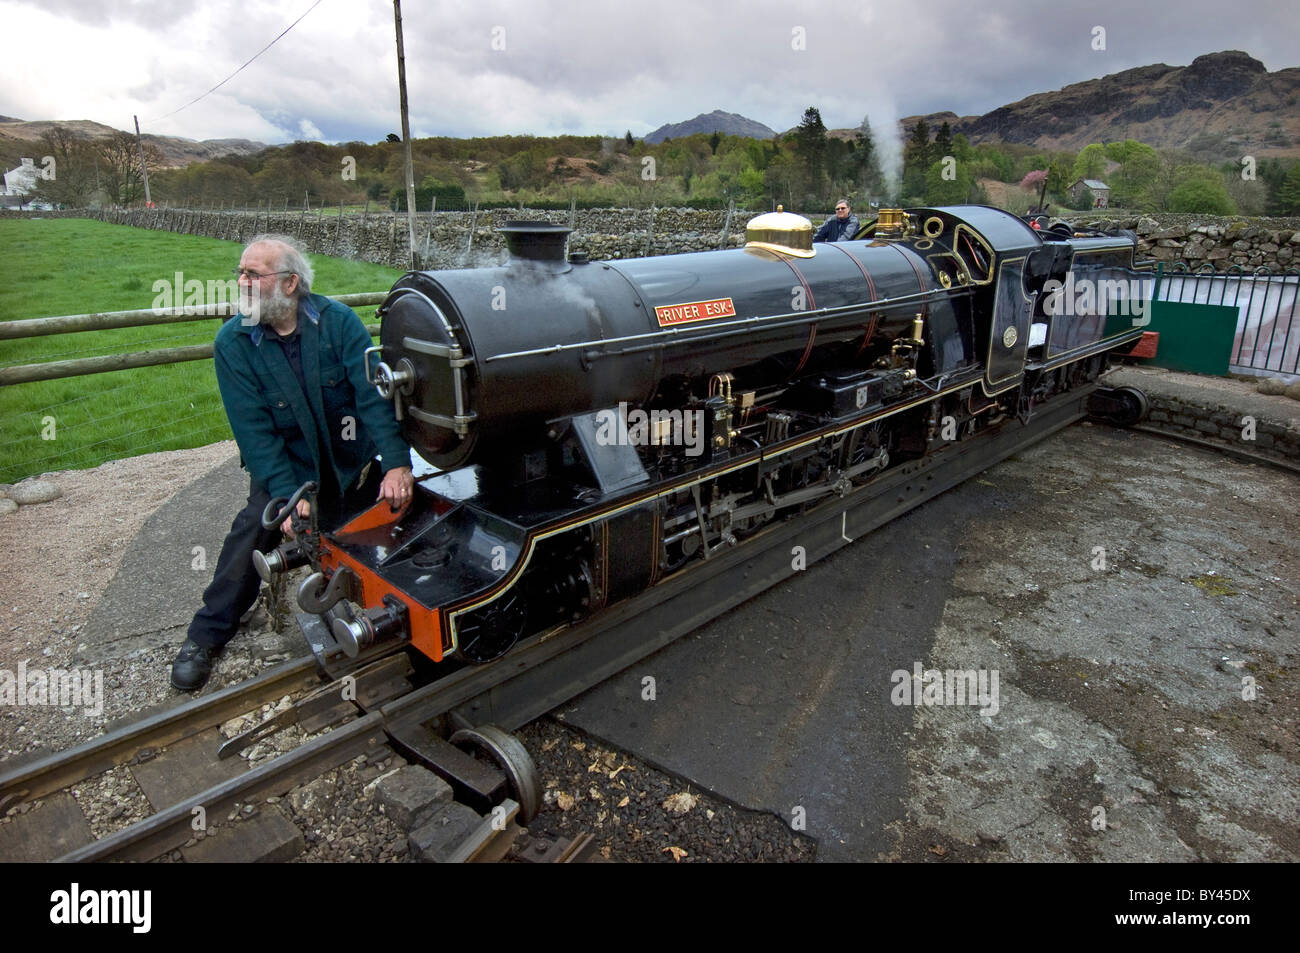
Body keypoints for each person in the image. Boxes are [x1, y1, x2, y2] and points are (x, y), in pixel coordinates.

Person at [171, 235, 413, 691]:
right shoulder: (233, 343)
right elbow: (255, 434)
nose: (241, 282)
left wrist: (398, 464)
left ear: (289, 284)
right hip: (287, 469)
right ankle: (206, 634)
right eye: (240, 273)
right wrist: (285, 495)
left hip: (349, 466)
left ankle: (399, 611)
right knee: (249, 535)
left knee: (409, 515)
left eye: (252, 274)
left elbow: (372, 399)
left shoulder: (339, 323)